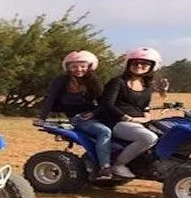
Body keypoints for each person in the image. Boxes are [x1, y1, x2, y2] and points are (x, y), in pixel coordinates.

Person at [34, 50, 113, 179]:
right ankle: (105, 167)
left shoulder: (93, 80)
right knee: (104, 132)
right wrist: (41, 117)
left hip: (95, 116)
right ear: (68, 67)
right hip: (78, 118)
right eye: (74, 66)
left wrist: (94, 113)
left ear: (89, 66)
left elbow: (103, 102)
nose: (79, 69)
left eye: (82, 66)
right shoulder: (61, 81)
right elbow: (50, 98)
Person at [99, 47, 169, 179]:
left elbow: (145, 106)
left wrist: (147, 115)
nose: (139, 66)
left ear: (152, 67)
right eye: (135, 63)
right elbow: (107, 104)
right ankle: (118, 165)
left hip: (138, 122)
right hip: (117, 122)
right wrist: (128, 118)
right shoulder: (118, 82)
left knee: (167, 134)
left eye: (144, 64)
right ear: (129, 64)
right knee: (148, 138)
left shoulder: (147, 85)